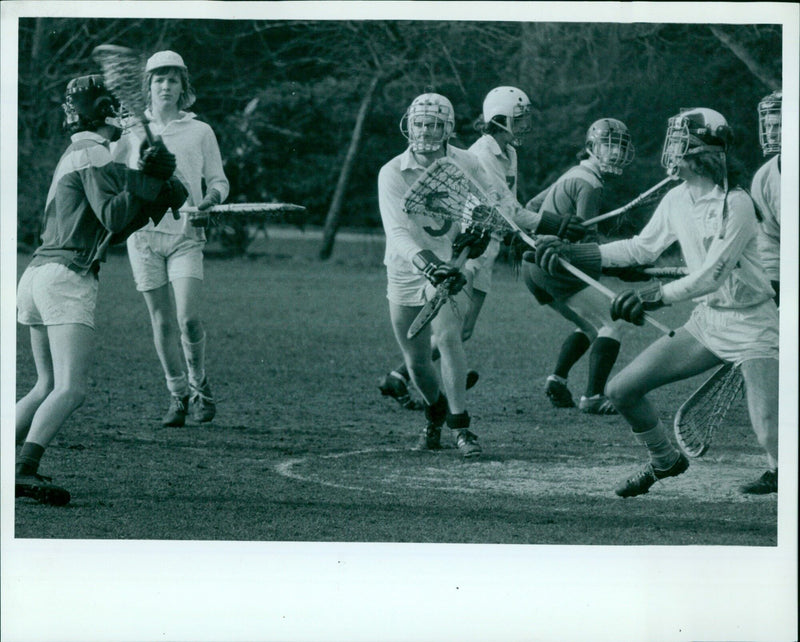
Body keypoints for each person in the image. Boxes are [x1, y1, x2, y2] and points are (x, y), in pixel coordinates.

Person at [534, 107, 779, 496]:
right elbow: (641, 249)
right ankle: (665, 459)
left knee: (770, 433)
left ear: (703, 151)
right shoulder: (677, 198)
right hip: (708, 322)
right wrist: (577, 254)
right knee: (621, 390)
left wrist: (656, 297)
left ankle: (782, 472)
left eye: (680, 143)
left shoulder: (737, 203)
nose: (671, 152)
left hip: (754, 325)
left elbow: (711, 275)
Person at [15, 74, 186, 505]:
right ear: (104, 112)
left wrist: (156, 193)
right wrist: (151, 183)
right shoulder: (93, 151)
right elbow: (113, 216)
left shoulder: (78, 151)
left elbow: (117, 223)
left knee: (45, 385)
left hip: (37, 275)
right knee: (70, 388)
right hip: (66, 278)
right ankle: (24, 469)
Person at [378, 92, 549, 456]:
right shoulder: (392, 171)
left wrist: (479, 233)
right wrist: (429, 265)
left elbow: (490, 204)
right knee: (417, 361)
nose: (426, 131)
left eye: (435, 124)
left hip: (453, 266)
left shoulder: (467, 162)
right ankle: (434, 412)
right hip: (408, 269)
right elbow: (397, 232)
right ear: (409, 124)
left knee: (450, 338)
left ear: (448, 128)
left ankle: (460, 426)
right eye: (420, 123)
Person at [112, 50, 230, 427]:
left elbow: (218, 180)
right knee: (161, 322)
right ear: (148, 86)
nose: (166, 85)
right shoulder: (129, 131)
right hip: (142, 237)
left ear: (183, 86)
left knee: (188, 318)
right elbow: (112, 178)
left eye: (173, 79)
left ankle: (200, 385)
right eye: (159, 79)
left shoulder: (200, 131)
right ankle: (178, 395)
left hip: (186, 233)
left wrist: (211, 200)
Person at [521, 118, 635, 415]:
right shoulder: (591, 183)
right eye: (608, 146)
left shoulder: (572, 173)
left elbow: (532, 207)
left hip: (532, 268)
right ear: (590, 147)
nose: (615, 154)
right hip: (555, 266)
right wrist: (622, 265)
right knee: (613, 323)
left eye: (620, 148)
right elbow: (587, 243)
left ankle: (557, 379)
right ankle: (593, 397)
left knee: (589, 325)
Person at [751, 89, 781, 307]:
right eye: (768, 126)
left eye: (778, 125)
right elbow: (768, 239)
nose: (771, 133)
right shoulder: (764, 177)